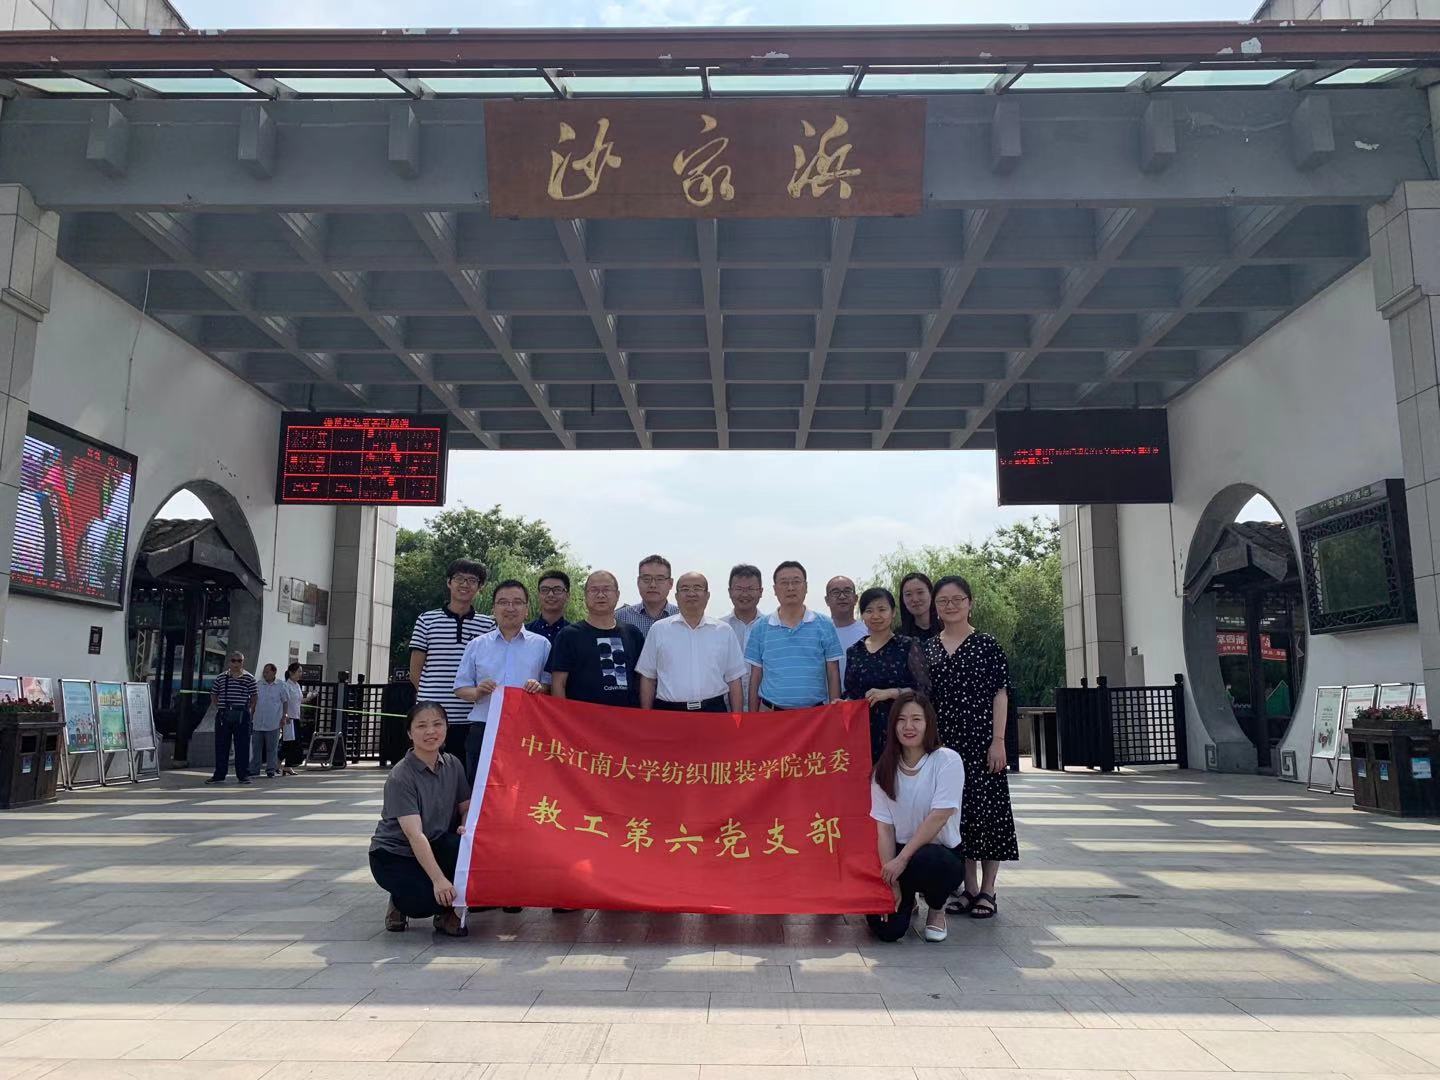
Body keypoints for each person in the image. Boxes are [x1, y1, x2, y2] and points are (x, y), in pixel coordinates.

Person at [923, 574, 1017, 920]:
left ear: (970, 603)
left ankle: (988, 890)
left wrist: (998, 741)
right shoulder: (929, 648)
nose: (950, 606)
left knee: (989, 814)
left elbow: (1000, 694)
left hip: (982, 743)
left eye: (957, 599)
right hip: (945, 746)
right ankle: (969, 888)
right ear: (936, 607)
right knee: (956, 815)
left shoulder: (987, 644)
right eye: (943, 601)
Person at [868, 691, 966, 943]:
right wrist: (891, 882)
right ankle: (906, 898)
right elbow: (884, 829)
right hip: (898, 854)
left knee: (930, 861)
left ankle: (937, 907)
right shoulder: (883, 770)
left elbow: (939, 816)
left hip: (938, 853)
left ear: (928, 723)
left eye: (916, 719)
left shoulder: (946, 760)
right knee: (887, 931)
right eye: (901, 720)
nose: (908, 726)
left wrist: (901, 862)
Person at [369, 701, 470, 938]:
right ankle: (400, 900)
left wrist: (464, 824)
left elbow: (465, 806)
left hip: (435, 843)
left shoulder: (453, 764)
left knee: (463, 848)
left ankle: (447, 914)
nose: (430, 731)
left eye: (437, 724)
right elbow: (414, 835)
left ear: (447, 727)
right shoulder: (401, 776)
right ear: (409, 733)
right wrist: (439, 880)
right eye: (422, 726)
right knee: (423, 902)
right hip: (395, 854)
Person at [454, 580, 552, 780]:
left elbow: (550, 686)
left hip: (527, 731)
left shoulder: (542, 645)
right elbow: (460, 688)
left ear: (527, 609)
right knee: (480, 788)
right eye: (503, 602)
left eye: (517, 602)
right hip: (484, 728)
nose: (510, 608)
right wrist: (478, 691)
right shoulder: (477, 645)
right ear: (494, 609)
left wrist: (539, 687)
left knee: (525, 788)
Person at [409, 559, 495, 762]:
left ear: (480, 587)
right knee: (430, 771)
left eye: (472, 580)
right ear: (449, 582)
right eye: (459, 578)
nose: (465, 584)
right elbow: (415, 670)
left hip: (471, 717)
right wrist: (430, 699)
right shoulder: (426, 620)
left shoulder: (488, 625)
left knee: (467, 774)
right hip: (433, 718)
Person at [637, 572, 746, 713]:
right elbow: (648, 677)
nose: (691, 593)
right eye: (685, 589)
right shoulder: (659, 629)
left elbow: (734, 679)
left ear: (707, 595)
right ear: (676, 596)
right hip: (669, 712)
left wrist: (737, 719)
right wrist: (646, 716)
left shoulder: (724, 631)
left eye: (697, 588)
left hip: (713, 711)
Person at [843, 587, 930, 762]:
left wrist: (891, 693)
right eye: (869, 611)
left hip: (900, 729)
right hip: (863, 732)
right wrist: (843, 703)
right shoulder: (854, 651)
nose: (875, 616)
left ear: (893, 612)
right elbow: (851, 692)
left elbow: (924, 691)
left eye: (882, 609)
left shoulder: (907, 646)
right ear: (862, 615)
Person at [744, 561, 843, 711]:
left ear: (806, 587)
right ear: (775, 589)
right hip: (771, 712)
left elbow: (833, 672)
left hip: (814, 714)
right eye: (784, 583)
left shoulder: (825, 624)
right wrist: (752, 716)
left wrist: (835, 712)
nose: (790, 588)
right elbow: (756, 675)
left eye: (796, 582)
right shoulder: (760, 627)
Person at [550, 571, 647, 707]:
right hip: (582, 717)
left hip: (626, 716)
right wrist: (563, 716)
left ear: (617, 595)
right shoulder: (568, 635)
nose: (600, 595)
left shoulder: (633, 634)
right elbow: (558, 684)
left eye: (606, 589)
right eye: (594, 590)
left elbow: (642, 680)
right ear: (585, 595)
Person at [206, 651, 257, 785]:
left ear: (243, 662)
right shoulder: (221, 678)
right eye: (234, 660)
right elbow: (214, 694)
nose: (236, 664)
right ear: (230, 662)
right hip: (224, 715)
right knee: (221, 746)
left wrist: (249, 711)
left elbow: (254, 697)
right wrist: (220, 707)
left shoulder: (249, 678)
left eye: (239, 661)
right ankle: (219, 774)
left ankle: (243, 775)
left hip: (242, 715)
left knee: (242, 746)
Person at [721, 564, 765, 712]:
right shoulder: (718, 629)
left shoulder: (771, 628)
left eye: (750, 589)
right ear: (730, 592)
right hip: (725, 710)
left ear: (761, 592)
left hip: (763, 709)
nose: (744, 594)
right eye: (739, 589)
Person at [615, 555, 678, 637]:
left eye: (660, 579)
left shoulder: (681, 617)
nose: (653, 585)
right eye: (646, 579)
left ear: (670, 583)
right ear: (638, 582)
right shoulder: (620, 617)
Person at [824, 575, 867, 682]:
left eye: (847, 591)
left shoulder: (868, 632)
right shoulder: (820, 632)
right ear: (827, 600)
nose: (842, 596)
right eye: (835, 592)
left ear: (856, 598)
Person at [252, 663, 286, 779]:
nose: (265, 674)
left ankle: (271, 769)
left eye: (267, 671)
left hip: (273, 722)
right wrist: (251, 715)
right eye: (264, 672)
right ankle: (254, 769)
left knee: (272, 748)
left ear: (274, 672)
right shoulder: (258, 684)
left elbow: (285, 702)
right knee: (256, 747)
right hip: (258, 721)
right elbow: (254, 701)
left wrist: (284, 716)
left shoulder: (281, 685)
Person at [527, 569, 573, 643]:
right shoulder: (524, 633)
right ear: (538, 595)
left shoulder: (576, 635)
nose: (550, 594)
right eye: (545, 590)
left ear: (567, 595)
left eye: (557, 590)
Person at [279, 661, 305, 775]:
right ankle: (278, 762)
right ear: (291, 672)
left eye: (301, 672)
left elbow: (299, 701)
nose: (300, 674)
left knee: (293, 743)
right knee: (289, 742)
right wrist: (285, 715)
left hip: (296, 717)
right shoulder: (286, 685)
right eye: (299, 671)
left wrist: (310, 697)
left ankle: (287, 765)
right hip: (289, 718)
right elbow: (283, 701)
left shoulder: (297, 685)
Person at [899, 572, 941, 640]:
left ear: (931, 594)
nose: (915, 599)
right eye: (908, 594)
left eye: (920, 592)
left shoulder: (947, 629)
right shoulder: (898, 637)